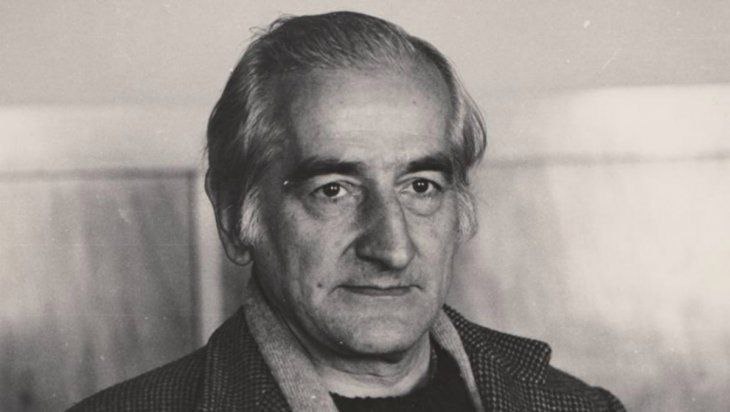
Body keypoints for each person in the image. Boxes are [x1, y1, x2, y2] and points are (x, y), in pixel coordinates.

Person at [69, 11, 625, 411]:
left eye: (421, 186)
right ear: (236, 216)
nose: (392, 248)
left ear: (461, 210)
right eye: (333, 190)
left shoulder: (577, 406)